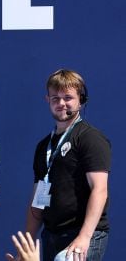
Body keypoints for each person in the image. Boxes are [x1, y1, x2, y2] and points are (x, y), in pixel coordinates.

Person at [25, 69, 111, 261]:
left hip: (85, 233)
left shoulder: (90, 138)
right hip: (51, 235)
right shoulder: (43, 147)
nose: (61, 103)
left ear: (81, 100)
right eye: (55, 98)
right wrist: (28, 245)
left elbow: (100, 190)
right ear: (47, 100)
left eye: (68, 97)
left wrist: (84, 237)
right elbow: (38, 198)